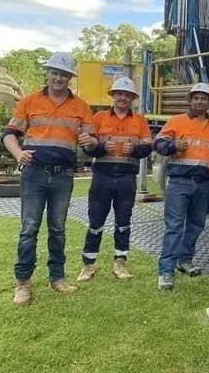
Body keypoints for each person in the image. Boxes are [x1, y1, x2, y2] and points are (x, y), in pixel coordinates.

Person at [3, 52, 95, 306]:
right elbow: (9, 133)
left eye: (63, 74)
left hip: (63, 175)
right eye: (55, 72)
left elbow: (91, 142)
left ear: (70, 78)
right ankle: (23, 283)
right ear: (48, 73)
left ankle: (57, 278)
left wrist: (91, 141)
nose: (58, 78)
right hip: (34, 174)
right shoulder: (29, 101)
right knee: (28, 228)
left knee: (58, 229)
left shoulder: (81, 106)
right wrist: (18, 152)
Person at [76, 77, 152, 282]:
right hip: (102, 176)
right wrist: (101, 147)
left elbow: (147, 148)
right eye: (119, 93)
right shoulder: (99, 117)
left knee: (123, 222)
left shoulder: (140, 121)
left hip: (127, 177)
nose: (123, 98)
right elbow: (87, 146)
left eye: (127, 95)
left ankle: (120, 263)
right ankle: (88, 265)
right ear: (113, 95)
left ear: (132, 98)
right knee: (95, 221)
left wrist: (135, 149)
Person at [153, 83, 209, 291]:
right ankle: (166, 271)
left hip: (203, 185)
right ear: (190, 100)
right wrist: (173, 146)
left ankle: (185, 260)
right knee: (174, 226)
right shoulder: (176, 122)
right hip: (179, 183)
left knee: (196, 224)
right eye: (196, 97)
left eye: (204, 98)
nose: (200, 101)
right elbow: (157, 144)